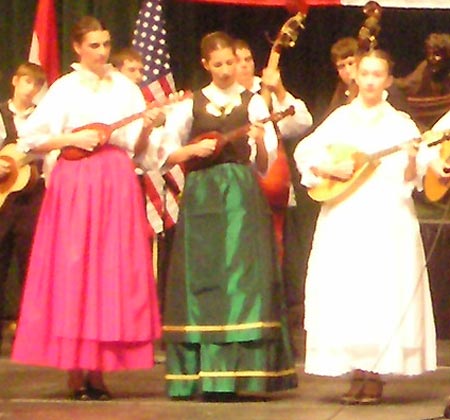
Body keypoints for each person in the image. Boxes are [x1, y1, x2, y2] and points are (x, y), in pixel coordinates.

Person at [11, 16, 161, 401]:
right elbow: (31, 140)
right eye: (93, 45)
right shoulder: (65, 88)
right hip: (76, 181)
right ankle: (76, 368)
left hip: (115, 181)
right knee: (76, 268)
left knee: (108, 271)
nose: (101, 52)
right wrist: (73, 137)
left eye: (106, 44)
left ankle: (99, 369)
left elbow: (138, 150)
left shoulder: (125, 87)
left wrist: (148, 125)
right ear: (78, 48)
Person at [152, 31, 297, 399]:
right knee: (202, 278)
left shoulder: (253, 103)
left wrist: (260, 141)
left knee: (240, 279)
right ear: (206, 65)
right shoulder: (191, 105)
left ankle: (242, 373)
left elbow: (265, 162)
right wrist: (193, 150)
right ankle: (200, 373)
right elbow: (163, 155)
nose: (226, 70)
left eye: (231, 63)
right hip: (201, 196)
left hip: (239, 197)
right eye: (218, 65)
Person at [294, 49, 437, 405]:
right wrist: (330, 168)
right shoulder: (341, 119)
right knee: (348, 288)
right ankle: (355, 370)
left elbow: (416, 175)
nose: (371, 81)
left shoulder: (401, 124)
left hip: (386, 217)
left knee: (381, 288)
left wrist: (409, 160)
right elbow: (305, 153)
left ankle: (375, 372)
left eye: (378, 75)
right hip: (346, 214)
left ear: (388, 81)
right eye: (366, 73)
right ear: (355, 76)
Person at [234, 38, 313, 358]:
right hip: (239, 186)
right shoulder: (223, 97)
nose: (243, 65)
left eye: (248, 59)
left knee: (275, 263)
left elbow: (301, 123)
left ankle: (276, 335)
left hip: (273, 187)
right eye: (236, 59)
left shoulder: (263, 91)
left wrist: (277, 90)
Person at [0, 62, 46, 349]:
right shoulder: (2, 114)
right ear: (15, 81)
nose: (30, 90)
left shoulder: (43, 119)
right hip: (4, 199)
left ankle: (31, 331)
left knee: (31, 263)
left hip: (32, 199)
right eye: (27, 83)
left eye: (36, 85)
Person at [325, 37, 409, 120]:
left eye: (351, 63)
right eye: (341, 66)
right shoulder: (341, 92)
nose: (347, 70)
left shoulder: (390, 93)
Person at [395, 33, 450, 98]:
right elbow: (407, 84)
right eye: (428, 53)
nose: (430, 58)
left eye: (437, 54)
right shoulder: (426, 66)